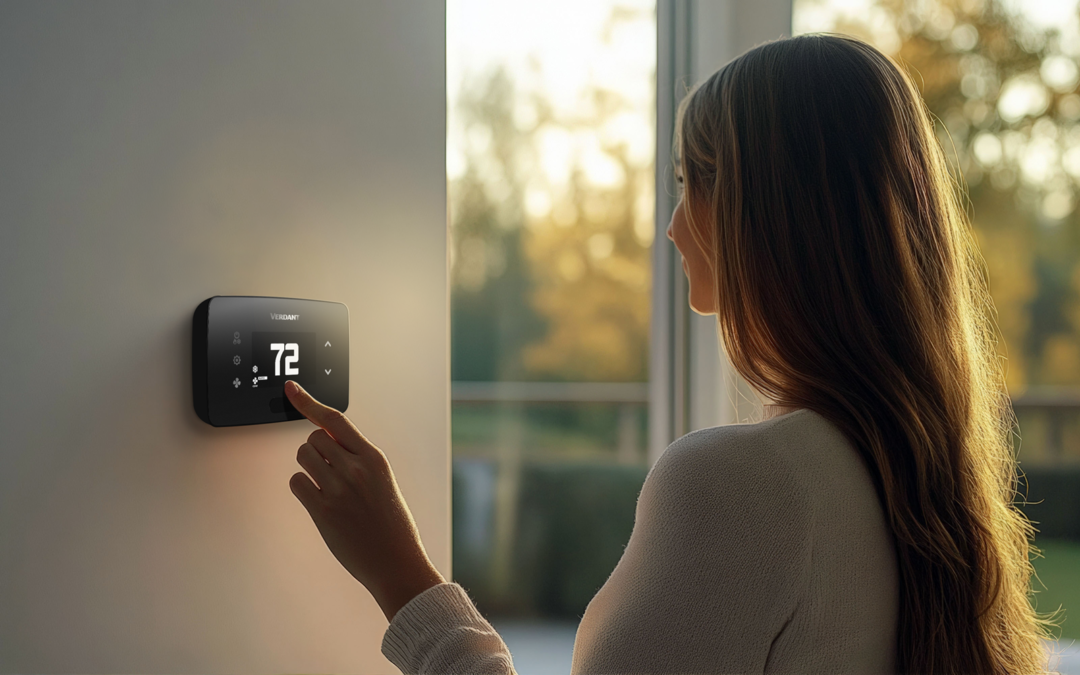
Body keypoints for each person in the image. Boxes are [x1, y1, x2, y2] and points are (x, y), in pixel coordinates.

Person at [283, 33, 1056, 675]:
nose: (673, 226)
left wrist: (402, 577)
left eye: (692, 183)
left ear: (767, 214)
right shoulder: (923, 479)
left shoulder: (743, 486)